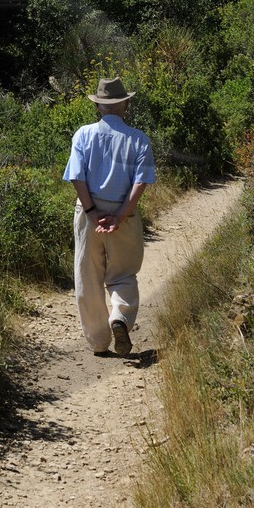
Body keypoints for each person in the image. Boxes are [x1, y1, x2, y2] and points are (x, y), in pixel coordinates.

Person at [63, 77, 154, 356]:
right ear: (125, 104)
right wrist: (119, 216)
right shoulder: (139, 139)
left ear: (99, 107)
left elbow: (76, 176)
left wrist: (91, 212)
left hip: (89, 213)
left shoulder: (83, 134)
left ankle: (99, 342)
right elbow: (141, 182)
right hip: (123, 214)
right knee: (123, 273)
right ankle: (120, 317)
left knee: (87, 276)